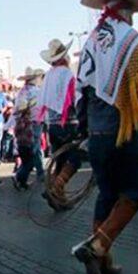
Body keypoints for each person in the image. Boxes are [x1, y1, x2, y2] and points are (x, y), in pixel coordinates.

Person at [71, 0, 138, 274]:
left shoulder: (91, 41)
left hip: (97, 132)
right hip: (124, 127)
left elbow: (82, 90)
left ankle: (103, 263)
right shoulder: (130, 38)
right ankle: (98, 246)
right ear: (126, 11)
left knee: (107, 192)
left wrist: (84, 131)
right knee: (137, 188)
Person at [39, 38, 81, 206]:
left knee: (60, 160)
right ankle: (56, 187)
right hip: (68, 123)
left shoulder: (48, 76)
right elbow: (75, 100)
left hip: (52, 125)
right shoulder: (67, 74)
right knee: (74, 160)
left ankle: (58, 197)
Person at [14, 68, 44, 187]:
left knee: (28, 149)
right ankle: (25, 174)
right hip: (34, 122)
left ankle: (26, 174)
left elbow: (16, 110)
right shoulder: (37, 91)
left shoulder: (21, 92)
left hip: (22, 123)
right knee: (34, 149)